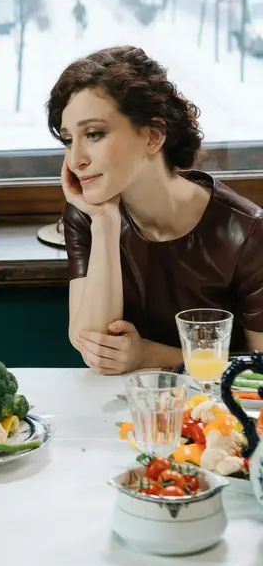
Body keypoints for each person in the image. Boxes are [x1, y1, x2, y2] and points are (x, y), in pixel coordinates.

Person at [46, 45, 263, 375]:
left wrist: (149, 355)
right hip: (125, 410)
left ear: (153, 136)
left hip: (221, 414)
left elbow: (260, 369)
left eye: (93, 134)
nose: (76, 160)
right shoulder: (87, 213)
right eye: (67, 140)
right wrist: (104, 223)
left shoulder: (247, 232)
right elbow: (94, 344)